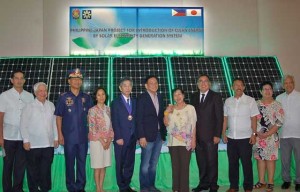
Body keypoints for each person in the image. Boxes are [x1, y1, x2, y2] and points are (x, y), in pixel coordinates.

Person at [54, 68, 93, 192]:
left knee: (82, 163)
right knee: (70, 164)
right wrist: (60, 135)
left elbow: (91, 117)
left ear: (81, 82)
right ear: (69, 81)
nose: (77, 81)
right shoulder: (63, 98)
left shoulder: (87, 98)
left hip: (83, 137)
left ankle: (80, 187)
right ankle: (71, 187)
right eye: (74, 79)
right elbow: (59, 117)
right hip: (69, 138)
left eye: (79, 79)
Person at [20, 82, 59, 192]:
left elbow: (54, 123)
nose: (43, 93)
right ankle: (33, 189)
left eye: (44, 90)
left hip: (48, 144)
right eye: (40, 91)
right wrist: (26, 140)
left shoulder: (51, 105)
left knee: (45, 170)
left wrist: (56, 138)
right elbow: (23, 125)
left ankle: (45, 189)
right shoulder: (29, 106)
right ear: (35, 93)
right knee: (32, 170)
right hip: (33, 144)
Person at [222, 78, 259, 192]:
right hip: (231, 138)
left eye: (240, 85)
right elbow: (225, 118)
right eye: (235, 85)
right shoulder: (228, 101)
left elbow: (254, 118)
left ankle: (248, 187)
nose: (238, 87)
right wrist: (223, 133)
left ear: (243, 87)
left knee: (246, 164)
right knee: (232, 164)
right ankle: (234, 186)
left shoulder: (250, 100)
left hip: (245, 138)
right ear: (232, 87)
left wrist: (254, 134)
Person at [0, 69, 34, 192]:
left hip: (23, 138)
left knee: (20, 166)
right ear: (12, 80)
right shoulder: (4, 96)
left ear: (24, 81)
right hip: (8, 137)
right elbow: (0, 117)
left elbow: (31, 118)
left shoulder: (30, 96)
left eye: (21, 78)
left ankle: (17, 189)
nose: (19, 81)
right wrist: (0, 137)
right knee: (8, 165)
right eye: (16, 78)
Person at [191, 74, 224, 192]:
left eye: (205, 81)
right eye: (200, 81)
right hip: (197, 137)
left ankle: (213, 185)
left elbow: (219, 117)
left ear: (209, 83)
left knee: (212, 162)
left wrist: (217, 134)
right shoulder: (193, 96)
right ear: (197, 84)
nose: (203, 83)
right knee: (201, 162)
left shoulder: (216, 96)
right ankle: (203, 184)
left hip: (211, 137)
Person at [252, 81, 284, 192]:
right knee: (260, 159)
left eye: (269, 88)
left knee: (271, 160)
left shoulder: (277, 104)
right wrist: (257, 134)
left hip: (272, 138)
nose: (267, 91)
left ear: (272, 90)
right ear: (260, 91)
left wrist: (267, 134)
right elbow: (252, 121)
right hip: (258, 137)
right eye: (264, 89)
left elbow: (279, 122)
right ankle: (261, 182)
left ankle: (270, 182)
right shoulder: (255, 104)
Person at [136, 75, 167, 192]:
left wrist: (163, 134)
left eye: (156, 83)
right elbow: (138, 119)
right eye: (151, 83)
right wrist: (141, 136)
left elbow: (160, 117)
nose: (154, 85)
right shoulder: (142, 98)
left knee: (154, 163)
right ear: (146, 86)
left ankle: (151, 186)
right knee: (145, 164)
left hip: (159, 135)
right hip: (147, 137)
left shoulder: (160, 96)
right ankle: (144, 187)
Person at [164, 88, 197, 192]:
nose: (177, 97)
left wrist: (194, 140)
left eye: (179, 94)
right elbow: (166, 123)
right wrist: (166, 113)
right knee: (175, 166)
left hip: (186, 142)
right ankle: (175, 189)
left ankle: (184, 189)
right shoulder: (170, 108)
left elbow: (194, 125)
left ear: (183, 95)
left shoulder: (190, 108)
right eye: (175, 95)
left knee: (184, 167)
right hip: (172, 142)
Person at [111, 77, 137, 192]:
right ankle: (122, 187)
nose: (127, 88)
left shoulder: (135, 101)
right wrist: (118, 137)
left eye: (129, 85)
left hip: (132, 138)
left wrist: (137, 135)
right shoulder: (115, 102)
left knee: (130, 163)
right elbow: (114, 120)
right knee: (120, 163)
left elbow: (137, 119)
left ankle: (127, 185)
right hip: (121, 138)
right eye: (125, 85)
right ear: (120, 88)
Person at [276, 74, 300, 191]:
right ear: (283, 85)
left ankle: (299, 181)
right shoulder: (279, 98)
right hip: (284, 134)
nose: (288, 85)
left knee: (299, 159)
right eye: (285, 83)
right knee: (285, 159)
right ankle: (286, 180)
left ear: (293, 84)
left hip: (298, 134)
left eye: (290, 82)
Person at [88, 87, 114, 192]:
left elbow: (112, 125)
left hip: (108, 141)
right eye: (99, 95)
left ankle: (101, 188)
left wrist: (109, 139)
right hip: (97, 142)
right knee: (97, 166)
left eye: (103, 94)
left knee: (103, 166)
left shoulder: (108, 109)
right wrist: (102, 141)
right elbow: (92, 127)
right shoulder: (92, 110)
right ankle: (98, 189)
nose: (101, 97)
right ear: (95, 97)